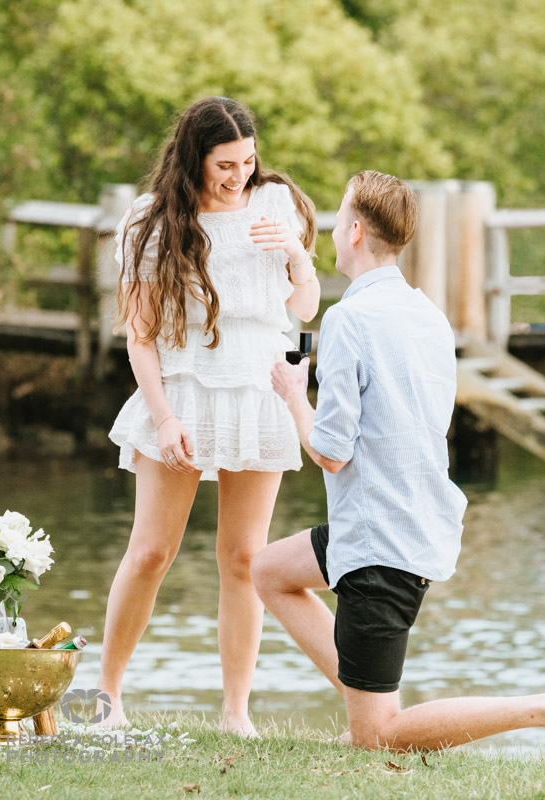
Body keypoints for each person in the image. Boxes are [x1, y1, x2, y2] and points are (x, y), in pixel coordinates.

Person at [254, 170, 545, 764]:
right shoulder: (428, 316)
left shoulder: (347, 320)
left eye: (339, 220)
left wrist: (292, 394)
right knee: (268, 571)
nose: (336, 231)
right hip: (410, 520)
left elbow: (332, 453)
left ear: (356, 231)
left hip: (379, 540)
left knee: (376, 738)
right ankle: (366, 698)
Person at [100, 97, 321, 736]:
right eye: (226, 164)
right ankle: (107, 695)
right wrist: (165, 418)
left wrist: (299, 256)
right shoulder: (150, 221)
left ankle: (235, 713)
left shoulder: (276, 205)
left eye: (248, 161)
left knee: (245, 558)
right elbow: (140, 336)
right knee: (150, 551)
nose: (240, 176)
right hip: (184, 389)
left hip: (258, 391)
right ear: (194, 158)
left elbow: (301, 310)